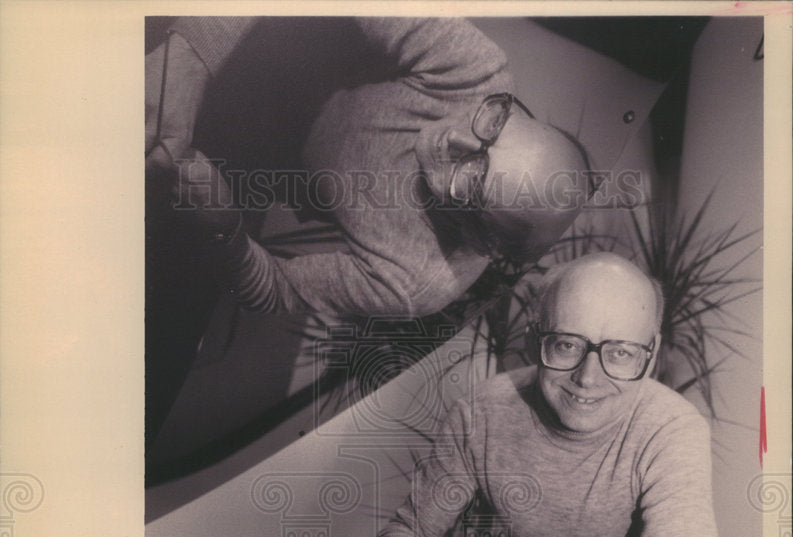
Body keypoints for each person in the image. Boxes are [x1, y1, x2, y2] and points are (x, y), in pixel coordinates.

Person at [371, 252, 723, 537]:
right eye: (567, 344)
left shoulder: (673, 428)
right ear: (532, 339)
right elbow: (406, 530)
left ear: (652, 351)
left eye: (621, 353)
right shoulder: (481, 413)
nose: (589, 378)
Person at [146, 16, 592, 317]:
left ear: (479, 237)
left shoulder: (420, 280)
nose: (456, 137)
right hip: (282, 33)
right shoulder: (480, 75)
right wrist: (191, 55)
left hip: (260, 158)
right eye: (495, 124)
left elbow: (276, 290)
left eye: (473, 177)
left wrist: (225, 227)